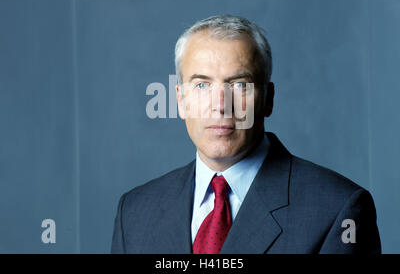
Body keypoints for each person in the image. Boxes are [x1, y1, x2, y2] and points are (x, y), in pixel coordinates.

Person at [111, 15, 381, 254]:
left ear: (268, 99)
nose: (220, 104)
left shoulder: (338, 210)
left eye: (239, 84)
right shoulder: (134, 213)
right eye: (202, 85)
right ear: (180, 101)